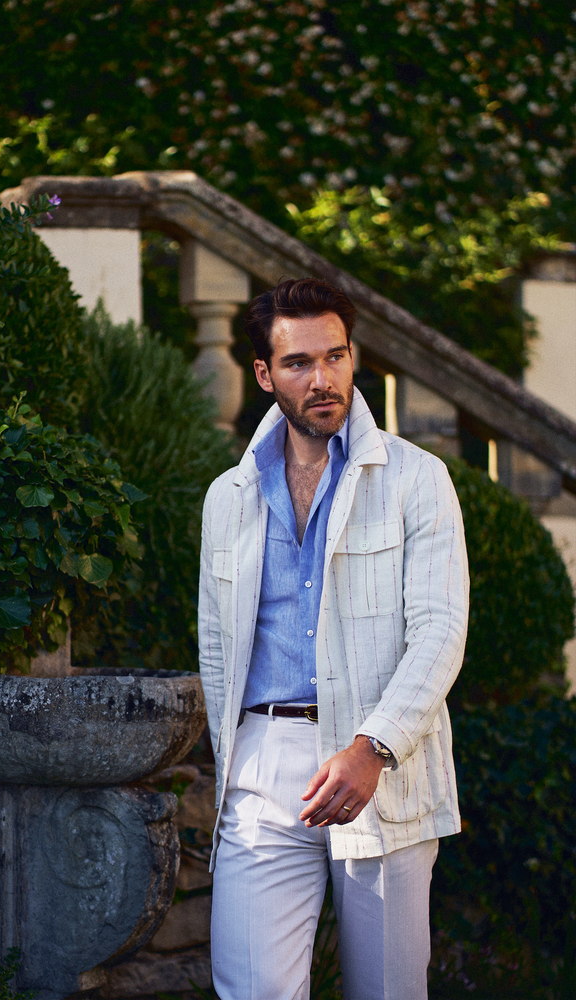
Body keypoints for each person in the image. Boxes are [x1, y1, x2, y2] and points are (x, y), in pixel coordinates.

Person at [198, 277, 469, 1000]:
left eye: (336, 357)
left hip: (382, 764)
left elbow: (441, 630)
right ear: (263, 374)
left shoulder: (418, 479)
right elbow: (218, 652)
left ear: (354, 358)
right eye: (298, 363)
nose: (323, 380)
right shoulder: (228, 497)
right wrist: (237, 770)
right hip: (263, 772)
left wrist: (373, 746)